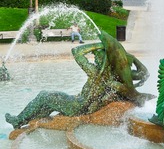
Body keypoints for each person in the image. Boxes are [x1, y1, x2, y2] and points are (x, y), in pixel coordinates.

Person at [5, 32, 152, 129]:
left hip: (78, 106)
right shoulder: (114, 75)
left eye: (97, 58)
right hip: (79, 101)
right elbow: (144, 74)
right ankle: (25, 121)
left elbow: (76, 52)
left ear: (103, 61)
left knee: (45, 96)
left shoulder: (97, 73)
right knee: (47, 102)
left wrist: (100, 45)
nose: (94, 59)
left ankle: (19, 120)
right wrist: (129, 58)